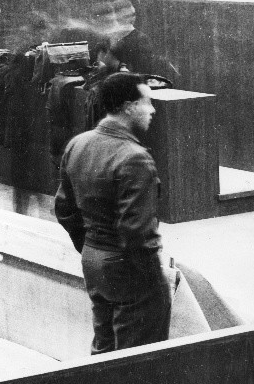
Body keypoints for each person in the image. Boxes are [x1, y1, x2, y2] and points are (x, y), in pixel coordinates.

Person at [53, 72, 171, 354]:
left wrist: (93, 248)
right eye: (148, 102)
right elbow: (137, 231)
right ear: (129, 107)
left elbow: (64, 209)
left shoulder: (77, 144)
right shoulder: (134, 157)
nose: (152, 110)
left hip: (94, 261)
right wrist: (152, 280)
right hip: (131, 270)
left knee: (104, 351)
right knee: (139, 365)